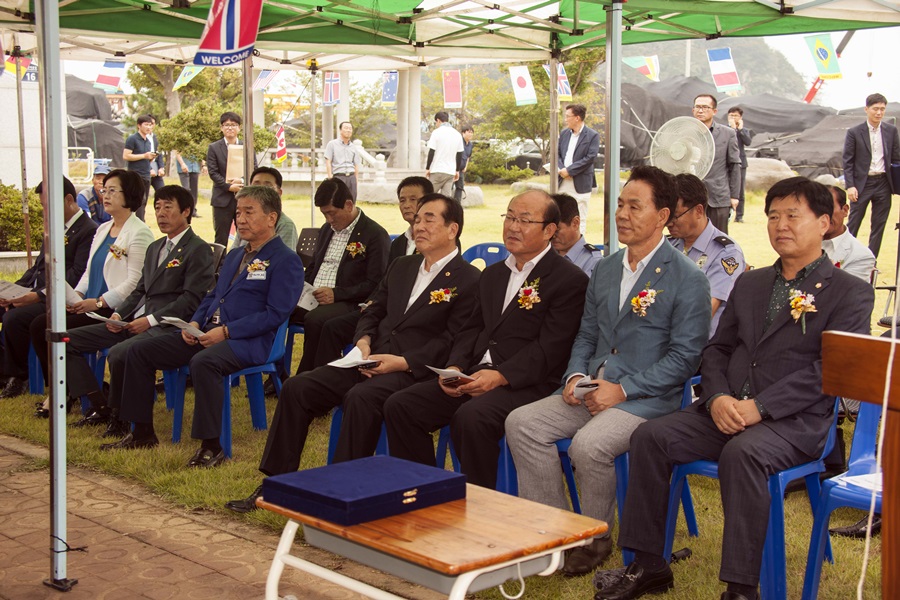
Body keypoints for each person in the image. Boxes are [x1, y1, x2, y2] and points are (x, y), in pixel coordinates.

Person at [602, 177, 875, 600]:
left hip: (793, 422)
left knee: (742, 452)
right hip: (726, 409)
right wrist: (717, 398)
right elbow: (716, 350)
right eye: (772, 216)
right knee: (651, 436)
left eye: (792, 216)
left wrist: (760, 408)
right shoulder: (751, 282)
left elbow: (829, 370)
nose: (780, 224)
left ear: (824, 222)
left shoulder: (850, 292)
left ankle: (742, 588)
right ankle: (649, 564)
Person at [505, 166, 711, 577]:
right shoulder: (606, 267)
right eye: (619, 204)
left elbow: (685, 358)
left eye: (635, 206)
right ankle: (555, 531)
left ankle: (596, 537)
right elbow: (585, 335)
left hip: (650, 401)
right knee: (521, 422)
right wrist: (575, 377)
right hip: (593, 387)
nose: (622, 214)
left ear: (663, 216)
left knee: (589, 445)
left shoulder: (688, 278)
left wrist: (623, 390)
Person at [225, 194, 481, 513]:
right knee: (297, 387)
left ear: (452, 228)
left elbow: (453, 339)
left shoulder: (469, 279)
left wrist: (402, 362)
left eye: (429, 219)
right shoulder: (403, 266)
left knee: (360, 397)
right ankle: (276, 485)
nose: (419, 226)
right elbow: (372, 308)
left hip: (413, 371)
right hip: (369, 358)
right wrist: (363, 341)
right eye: (417, 220)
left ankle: (344, 494)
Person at [383, 190, 589, 489]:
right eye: (510, 217)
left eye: (525, 220)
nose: (513, 227)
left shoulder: (568, 280)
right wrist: (454, 367)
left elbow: (551, 348)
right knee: (402, 405)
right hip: (475, 375)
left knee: (472, 418)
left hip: (528, 383)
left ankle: (482, 504)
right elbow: (471, 329)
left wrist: (501, 376)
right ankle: (427, 492)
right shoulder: (492, 275)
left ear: (549, 230)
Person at [102, 186, 303, 466]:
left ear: (271, 218)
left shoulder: (286, 260)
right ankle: (141, 432)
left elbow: (276, 313)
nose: (240, 219)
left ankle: (212, 445)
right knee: (139, 351)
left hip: (250, 341)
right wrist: (194, 321)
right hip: (207, 332)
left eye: (249, 212)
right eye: (238, 213)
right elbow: (212, 295)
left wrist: (227, 331)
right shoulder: (235, 255)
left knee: (204, 363)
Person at [63, 185, 214, 434]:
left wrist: (151, 320)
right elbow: (139, 290)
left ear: (186, 211)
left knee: (121, 353)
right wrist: (118, 314)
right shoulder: (155, 247)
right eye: (157, 207)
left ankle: (126, 423)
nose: (161, 213)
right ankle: (99, 402)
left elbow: (191, 300)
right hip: (136, 321)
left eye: (168, 207)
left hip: (167, 325)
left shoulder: (197, 249)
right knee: (66, 340)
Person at [32, 169, 154, 417]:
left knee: (61, 335)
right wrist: (75, 296)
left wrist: (98, 303)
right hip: (90, 304)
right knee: (40, 325)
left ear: (129, 194)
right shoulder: (102, 228)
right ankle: (66, 390)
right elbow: (89, 272)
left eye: (112, 191)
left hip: (115, 310)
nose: (105, 195)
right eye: (103, 190)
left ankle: (92, 398)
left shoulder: (139, 232)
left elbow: (135, 283)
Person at [307, 176, 435, 373]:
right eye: (402, 200)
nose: (407, 205)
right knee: (333, 327)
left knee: (323, 321)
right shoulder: (401, 243)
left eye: (413, 199)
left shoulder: (435, 242)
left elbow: (376, 281)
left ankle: (322, 381)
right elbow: (385, 284)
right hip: (381, 309)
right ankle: (321, 381)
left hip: (407, 317)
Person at [0, 177, 97, 399]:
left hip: (57, 299)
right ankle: (3, 372)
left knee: (15, 318)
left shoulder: (88, 231)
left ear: (69, 200)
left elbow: (76, 276)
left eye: (47, 205)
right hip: (35, 292)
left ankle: (19, 376)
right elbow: (37, 269)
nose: (45, 211)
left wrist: (35, 296)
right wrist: (12, 291)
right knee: (7, 308)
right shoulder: (54, 229)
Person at [290, 178, 389, 374]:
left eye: (332, 213)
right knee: (278, 308)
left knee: (317, 320)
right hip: (314, 295)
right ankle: (276, 372)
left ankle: (311, 376)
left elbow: (375, 284)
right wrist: (302, 287)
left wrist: (337, 294)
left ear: (349, 205)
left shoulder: (374, 234)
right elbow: (314, 266)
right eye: (324, 214)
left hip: (348, 300)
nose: (328, 219)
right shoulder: (328, 230)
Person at [666, 173, 745, 338]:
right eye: (666, 216)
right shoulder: (669, 245)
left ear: (699, 211)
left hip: (702, 348)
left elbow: (704, 313)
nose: (669, 223)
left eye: (675, 216)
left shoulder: (726, 253)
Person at [844, 93, 900, 258]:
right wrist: (850, 186)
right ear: (866, 109)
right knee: (853, 223)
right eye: (875, 109)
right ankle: (845, 259)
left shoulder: (891, 131)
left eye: (882, 109)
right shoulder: (854, 132)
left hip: (883, 183)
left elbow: (897, 158)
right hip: (862, 184)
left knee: (878, 226)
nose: (879, 113)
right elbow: (848, 161)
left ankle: (870, 261)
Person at [692, 94, 740, 234]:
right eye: (697, 107)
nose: (700, 111)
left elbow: (734, 165)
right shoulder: (685, 132)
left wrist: (734, 196)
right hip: (690, 197)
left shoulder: (728, 134)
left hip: (718, 196)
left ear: (714, 111)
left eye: (705, 107)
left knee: (718, 240)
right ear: (693, 110)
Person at [230, 167, 298, 251]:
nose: (260, 191)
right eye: (256, 186)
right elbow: (232, 254)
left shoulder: (285, 224)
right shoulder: (244, 220)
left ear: (279, 193)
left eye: (267, 187)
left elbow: (283, 258)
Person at [558, 103, 600, 235]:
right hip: (562, 182)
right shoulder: (564, 133)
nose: (565, 119)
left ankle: (578, 247)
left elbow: (590, 157)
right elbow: (557, 154)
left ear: (577, 118)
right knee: (560, 215)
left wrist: (570, 170)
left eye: (568, 116)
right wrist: (562, 169)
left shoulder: (592, 135)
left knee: (580, 218)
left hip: (580, 183)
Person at [207, 112, 246, 247]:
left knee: (245, 235)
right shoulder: (214, 147)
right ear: (221, 128)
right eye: (227, 125)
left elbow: (253, 168)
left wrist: (241, 181)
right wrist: (228, 186)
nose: (230, 128)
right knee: (221, 237)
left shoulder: (246, 146)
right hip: (221, 199)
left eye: (233, 125)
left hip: (242, 197)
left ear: (239, 128)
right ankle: (220, 266)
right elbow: (213, 172)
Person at [822, 184, 875, 282]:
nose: (823, 216)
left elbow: (849, 295)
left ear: (845, 210)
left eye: (829, 208)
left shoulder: (860, 256)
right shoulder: (796, 244)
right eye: (815, 210)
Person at [551, 193, 603, 276]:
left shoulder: (594, 262)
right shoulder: (545, 254)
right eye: (548, 230)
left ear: (575, 223)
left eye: (557, 230)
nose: (551, 235)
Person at [122, 114, 161, 220]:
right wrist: (144, 156)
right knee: (139, 200)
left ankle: (141, 221)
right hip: (135, 174)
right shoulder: (132, 139)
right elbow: (126, 156)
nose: (148, 127)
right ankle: (138, 222)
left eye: (150, 125)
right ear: (139, 125)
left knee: (144, 202)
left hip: (146, 174)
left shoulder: (148, 141)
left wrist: (151, 158)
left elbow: (146, 159)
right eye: (146, 125)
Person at [425, 111, 464, 196]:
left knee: (428, 196)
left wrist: (428, 168)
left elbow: (431, 151)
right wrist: (457, 170)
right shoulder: (457, 134)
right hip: (450, 171)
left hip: (437, 169)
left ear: (438, 120)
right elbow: (459, 154)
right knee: (446, 200)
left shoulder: (436, 132)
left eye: (436, 122)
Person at [727, 106, 753, 223]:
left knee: (740, 190)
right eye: (731, 115)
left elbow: (747, 142)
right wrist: (732, 129)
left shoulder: (745, 130)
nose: (733, 118)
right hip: (726, 163)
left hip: (741, 163)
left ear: (740, 117)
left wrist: (740, 130)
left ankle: (739, 216)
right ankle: (727, 213)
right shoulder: (724, 129)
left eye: (735, 115)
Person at [324, 121, 361, 200]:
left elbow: (356, 165)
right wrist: (330, 176)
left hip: (351, 177)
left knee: (351, 201)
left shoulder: (353, 147)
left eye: (350, 129)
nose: (348, 130)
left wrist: (356, 180)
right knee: (339, 201)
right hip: (339, 177)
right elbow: (328, 161)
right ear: (340, 130)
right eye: (346, 128)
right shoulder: (332, 144)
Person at [454, 125, 474, 202]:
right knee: (449, 188)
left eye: (472, 132)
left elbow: (468, 156)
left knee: (460, 187)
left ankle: (457, 205)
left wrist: (466, 166)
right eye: (469, 132)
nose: (470, 134)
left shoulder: (470, 144)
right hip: (453, 169)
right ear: (463, 133)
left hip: (461, 170)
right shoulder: (458, 142)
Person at [148, 115, 166, 194]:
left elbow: (160, 153)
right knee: (143, 197)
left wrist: (161, 167)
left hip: (155, 166)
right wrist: (149, 169)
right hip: (144, 168)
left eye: (153, 123)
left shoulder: (156, 137)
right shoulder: (139, 138)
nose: (151, 126)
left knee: (162, 192)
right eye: (149, 124)